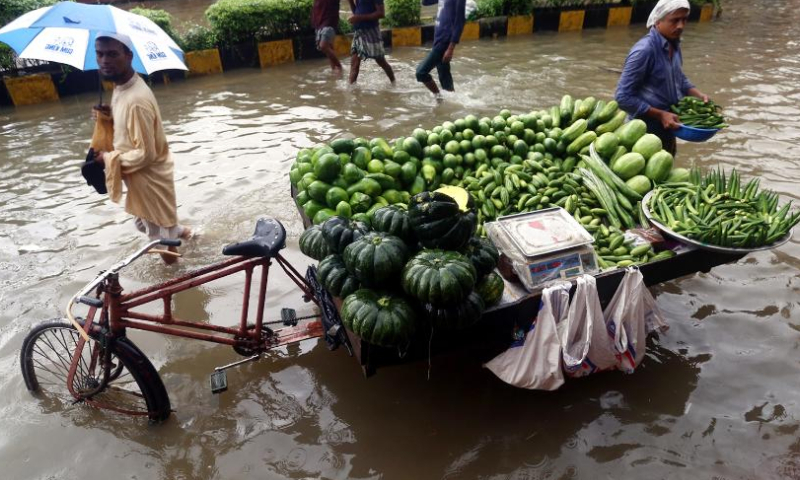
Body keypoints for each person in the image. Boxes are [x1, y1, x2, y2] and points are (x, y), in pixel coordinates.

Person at [92, 33, 190, 264]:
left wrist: (107, 159)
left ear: (128, 56)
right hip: (139, 178)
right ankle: (189, 234)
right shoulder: (122, 88)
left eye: (112, 54)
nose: (105, 60)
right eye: (100, 53)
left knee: (161, 244)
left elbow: (145, 154)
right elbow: (129, 130)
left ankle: (178, 282)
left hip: (150, 179)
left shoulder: (136, 99)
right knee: (145, 223)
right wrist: (110, 115)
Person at [614, 0, 708, 155]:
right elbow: (622, 97)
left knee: (666, 173)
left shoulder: (674, 44)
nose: (681, 26)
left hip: (669, 127)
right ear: (658, 21)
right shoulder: (644, 51)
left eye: (684, 20)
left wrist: (698, 94)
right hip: (643, 133)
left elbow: (678, 77)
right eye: (674, 20)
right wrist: (660, 114)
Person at [416, 0, 466, 96]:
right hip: (438, 39)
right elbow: (425, 2)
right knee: (445, 78)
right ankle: (451, 103)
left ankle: (439, 98)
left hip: (444, 41)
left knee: (421, 72)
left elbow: (460, 21)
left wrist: (451, 48)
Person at [347, 0, 395, 85]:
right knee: (354, 64)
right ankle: (351, 92)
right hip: (358, 32)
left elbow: (381, 13)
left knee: (381, 61)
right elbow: (356, 13)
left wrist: (359, 18)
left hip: (371, 31)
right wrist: (351, 2)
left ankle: (394, 83)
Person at [312, 0, 343, 72]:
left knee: (323, 45)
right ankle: (334, 70)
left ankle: (339, 67)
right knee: (329, 47)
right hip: (319, 20)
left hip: (329, 21)